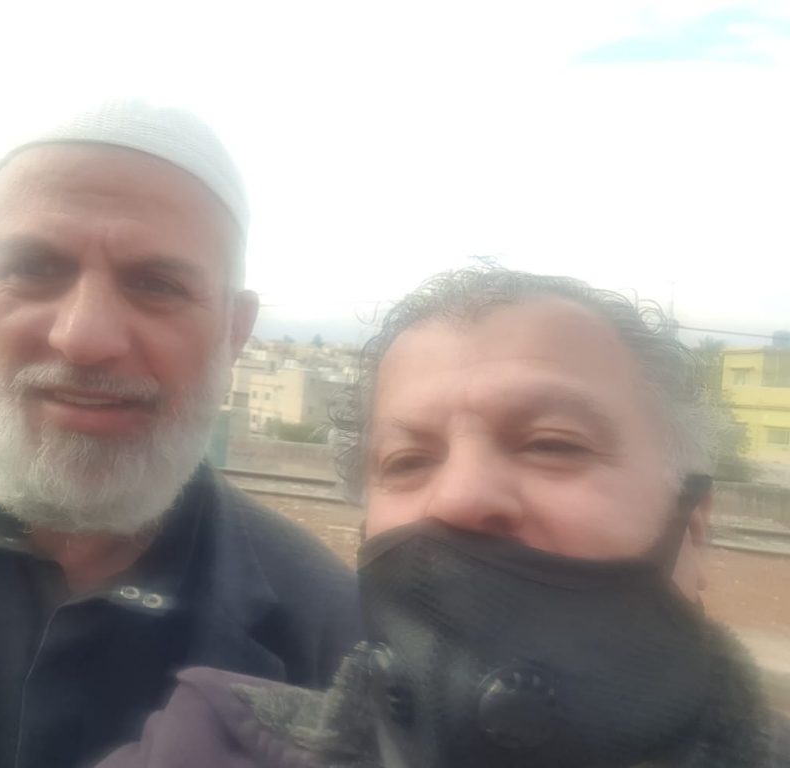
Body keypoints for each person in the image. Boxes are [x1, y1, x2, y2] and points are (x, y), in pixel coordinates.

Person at [0, 102, 361, 768]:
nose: (82, 337)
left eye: (155, 284)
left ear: (234, 330)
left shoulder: (330, 631)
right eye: (34, 269)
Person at [100, 268, 788, 768]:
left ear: (693, 528)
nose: (457, 498)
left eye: (552, 444)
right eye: (407, 461)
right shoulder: (210, 741)